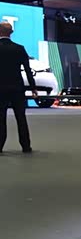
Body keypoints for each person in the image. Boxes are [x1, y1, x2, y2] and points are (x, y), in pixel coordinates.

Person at [0, 21, 36, 154]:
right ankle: (26, 146)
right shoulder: (19, 48)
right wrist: (33, 88)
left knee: (1, 118)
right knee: (21, 117)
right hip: (17, 88)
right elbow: (27, 70)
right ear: (11, 32)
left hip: (0, 89)